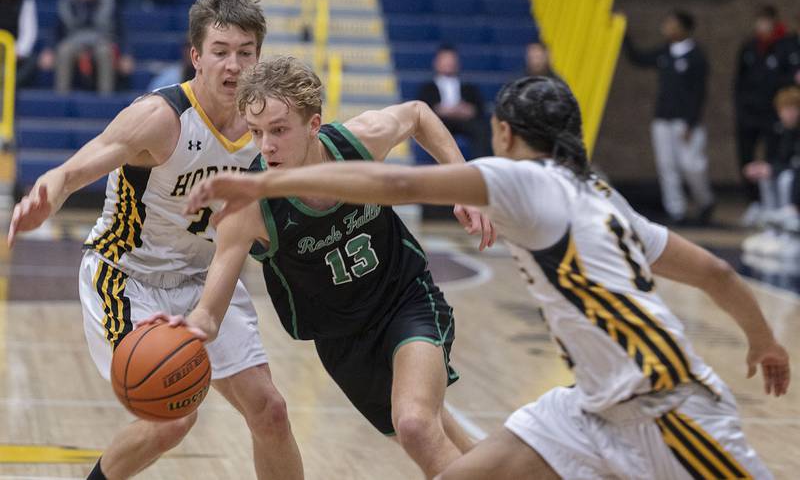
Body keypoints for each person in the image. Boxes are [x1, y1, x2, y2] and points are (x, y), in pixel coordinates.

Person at [186, 76, 790, 480]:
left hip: (666, 403)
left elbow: (397, 183)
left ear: (503, 135)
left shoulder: (521, 181)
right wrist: (762, 339)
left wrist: (263, 183)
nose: (266, 146)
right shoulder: (601, 196)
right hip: (590, 407)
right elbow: (713, 269)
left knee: (419, 424)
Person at [143, 55, 494, 478]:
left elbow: (418, 114)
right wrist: (192, 328)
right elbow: (211, 307)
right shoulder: (249, 207)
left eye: (279, 130)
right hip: (342, 342)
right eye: (256, 133)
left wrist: (463, 184)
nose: (266, 145)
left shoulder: (356, 143)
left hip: (404, 300)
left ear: (313, 125)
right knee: (438, 433)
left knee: (417, 424)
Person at [7, 0, 303, 480]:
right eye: (221, 52)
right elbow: (86, 161)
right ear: (197, 57)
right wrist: (51, 190)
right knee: (172, 418)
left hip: (204, 282)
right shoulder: (162, 117)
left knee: (270, 411)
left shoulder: (264, 127)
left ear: (259, 57)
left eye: (246, 53)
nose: (233, 66)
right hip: (126, 277)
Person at [624, 10, 714, 225]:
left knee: (692, 165)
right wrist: (624, 35)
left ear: (684, 28)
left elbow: (699, 92)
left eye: (671, 24)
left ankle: (706, 201)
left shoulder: (696, 56)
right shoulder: (665, 52)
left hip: (686, 121)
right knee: (667, 166)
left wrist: (691, 122)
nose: (666, 28)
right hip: (663, 118)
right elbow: (638, 58)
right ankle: (676, 210)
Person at [38, 0, 133, 94]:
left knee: (104, 52)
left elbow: (121, 31)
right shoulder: (66, 2)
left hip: (102, 42)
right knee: (64, 50)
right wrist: (48, 50)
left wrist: (126, 54)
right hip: (74, 43)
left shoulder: (109, 0)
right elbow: (56, 31)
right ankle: (61, 97)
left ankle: (106, 99)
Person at [735, 5, 789, 220]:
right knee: (746, 158)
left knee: (773, 157)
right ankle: (754, 202)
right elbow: (739, 81)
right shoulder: (749, 47)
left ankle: (773, 205)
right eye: (759, 21)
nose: (762, 25)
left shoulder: (785, 47)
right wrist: (741, 109)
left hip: (773, 114)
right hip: (749, 113)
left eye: (766, 21)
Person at [741, 85, 800, 258]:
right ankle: (772, 228)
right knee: (766, 176)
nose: (787, 114)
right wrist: (764, 167)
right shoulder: (782, 131)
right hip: (790, 173)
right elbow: (780, 160)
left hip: (795, 184)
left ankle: (791, 228)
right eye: (783, 110)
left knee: (786, 179)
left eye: (791, 109)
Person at [417, 44, 490, 159]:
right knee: (434, 130)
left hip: (464, 121)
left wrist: (467, 110)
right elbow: (422, 108)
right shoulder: (428, 87)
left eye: (451, 60)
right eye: (445, 60)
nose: (448, 63)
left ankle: (480, 163)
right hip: (440, 121)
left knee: (481, 129)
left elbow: (478, 108)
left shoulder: (468, 86)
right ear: (436, 62)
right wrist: (442, 110)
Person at [0, 0, 38, 87]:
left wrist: (18, 51)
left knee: (32, 61)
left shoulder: (26, 0)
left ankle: (8, 85)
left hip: (13, 50)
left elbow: (29, 32)